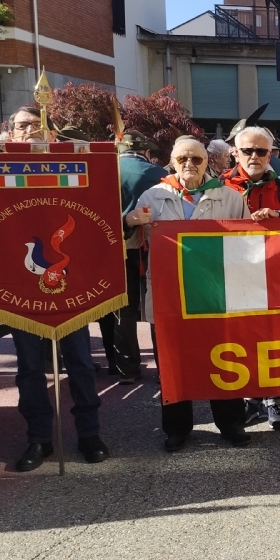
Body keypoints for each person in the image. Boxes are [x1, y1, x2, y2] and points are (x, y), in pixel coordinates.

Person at [127, 136, 252, 451]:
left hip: (215, 293)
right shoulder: (152, 196)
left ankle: (231, 423)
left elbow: (249, 245)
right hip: (169, 295)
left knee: (223, 357)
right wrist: (129, 220)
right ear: (172, 160)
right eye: (182, 158)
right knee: (172, 363)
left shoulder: (230, 197)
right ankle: (177, 428)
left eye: (196, 159)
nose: (189, 165)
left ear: (207, 161)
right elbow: (124, 241)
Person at [3, 109, 108, 471]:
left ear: (51, 133)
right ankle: (39, 439)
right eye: (22, 126)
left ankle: (89, 433)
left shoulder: (74, 164)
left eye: (37, 125)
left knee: (79, 364)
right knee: (30, 368)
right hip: (19, 287)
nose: (30, 131)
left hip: (71, 285)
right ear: (11, 133)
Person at [222, 125, 280, 429]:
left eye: (261, 151)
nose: (254, 157)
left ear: (271, 154)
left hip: (274, 273)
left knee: (274, 337)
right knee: (243, 336)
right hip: (236, 273)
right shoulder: (220, 187)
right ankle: (250, 398)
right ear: (235, 152)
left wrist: (278, 217)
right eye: (247, 151)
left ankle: (274, 398)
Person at [114, 131, 166, 384]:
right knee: (156, 307)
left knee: (123, 310)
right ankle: (164, 367)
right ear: (146, 151)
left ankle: (127, 368)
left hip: (116, 247)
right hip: (152, 247)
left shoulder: (105, 169)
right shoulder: (158, 173)